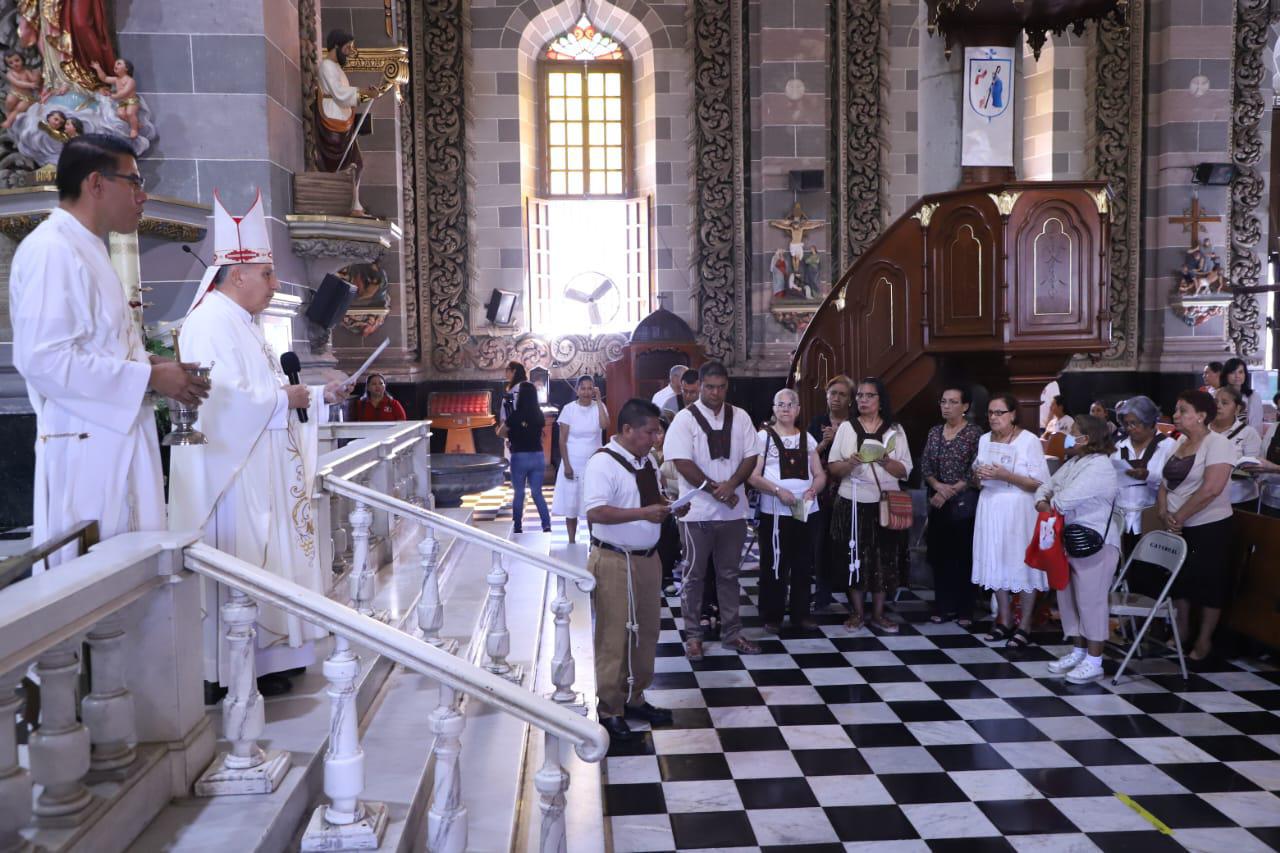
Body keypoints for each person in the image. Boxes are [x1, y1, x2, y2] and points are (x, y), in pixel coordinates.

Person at [170, 188, 350, 699]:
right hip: (233, 473)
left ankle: (269, 657)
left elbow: (264, 388)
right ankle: (233, 666)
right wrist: (280, 399)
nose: (275, 285)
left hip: (259, 462)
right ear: (238, 275)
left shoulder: (243, 323)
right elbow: (219, 400)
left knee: (267, 557)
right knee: (245, 557)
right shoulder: (210, 321)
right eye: (268, 274)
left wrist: (315, 395)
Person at [10, 134, 208, 567]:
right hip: (87, 454)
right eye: (134, 181)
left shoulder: (87, 248)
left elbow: (95, 345)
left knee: (135, 580)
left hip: (113, 441)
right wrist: (149, 377)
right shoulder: (52, 250)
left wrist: (150, 363)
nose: (143, 195)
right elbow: (43, 359)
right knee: (98, 585)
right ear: (96, 183)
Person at [583, 398, 684, 743]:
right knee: (614, 635)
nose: (656, 438)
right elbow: (596, 512)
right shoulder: (602, 463)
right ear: (627, 429)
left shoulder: (647, 461)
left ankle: (635, 697)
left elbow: (649, 500)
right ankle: (610, 709)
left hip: (648, 558)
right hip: (614, 560)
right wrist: (643, 514)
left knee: (646, 633)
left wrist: (670, 507)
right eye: (650, 432)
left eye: (657, 432)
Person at [664, 361, 761, 658]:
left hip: (733, 511)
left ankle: (732, 633)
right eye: (709, 387)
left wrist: (731, 485)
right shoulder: (684, 419)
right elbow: (682, 462)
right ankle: (694, 636)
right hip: (697, 513)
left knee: (729, 575)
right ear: (699, 386)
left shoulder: (740, 416)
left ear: (727, 386)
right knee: (694, 576)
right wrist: (715, 490)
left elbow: (751, 455)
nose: (715, 393)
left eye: (720, 388)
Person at [1036, 415, 1121, 684]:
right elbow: (1045, 488)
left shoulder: (1100, 467)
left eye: (1073, 432)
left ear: (1087, 438)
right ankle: (1079, 652)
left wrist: (1049, 502)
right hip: (1069, 540)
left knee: (1090, 602)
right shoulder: (1075, 462)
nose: (1067, 437)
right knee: (1069, 599)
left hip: (1095, 544)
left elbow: (1064, 501)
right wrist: (1044, 500)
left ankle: (1095, 661)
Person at [827, 377, 913, 633]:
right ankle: (857, 613)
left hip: (885, 503)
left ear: (880, 400)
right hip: (852, 500)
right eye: (860, 396)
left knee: (884, 559)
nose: (863, 400)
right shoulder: (847, 428)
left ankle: (878, 614)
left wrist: (886, 461)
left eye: (869, 395)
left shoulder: (895, 430)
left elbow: (905, 470)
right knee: (853, 557)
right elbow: (833, 468)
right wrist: (851, 463)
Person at [1159, 390, 1234, 661]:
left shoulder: (1219, 444)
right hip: (1177, 525)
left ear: (1201, 416)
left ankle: (1204, 640)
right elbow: (1165, 483)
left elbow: (1211, 489)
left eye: (1182, 410)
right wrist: (1164, 512)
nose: (1175, 415)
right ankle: (1181, 631)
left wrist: (1179, 516)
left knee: (1208, 583)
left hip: (1208, 525)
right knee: (1180, 581)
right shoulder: (1178, 442)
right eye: (1176, 409)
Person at [973, 392, 1050, 649]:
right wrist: (978, 475)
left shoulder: (1028, 441)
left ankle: (1024, 624)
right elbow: (977, 477)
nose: (994, 417)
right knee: (996, 561)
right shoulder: (984, 439)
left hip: (1019, 509)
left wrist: (1007, 475)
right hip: (990, 506)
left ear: (1013, 414)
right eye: (990, 413)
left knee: (1021, 565)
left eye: (999, 412)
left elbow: (1040, 483)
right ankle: (1004, 619)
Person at [748, 388, 826, 633]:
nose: (785, 408)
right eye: (780, 404)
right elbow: (753, 476)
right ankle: (772, 614)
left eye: (790, 404)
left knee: (803, 563)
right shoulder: (763, 437)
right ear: (773, 409)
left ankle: (801, 613)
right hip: (775, 512)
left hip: (805, 510)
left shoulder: (807, 438)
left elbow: (820, 474)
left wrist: (813, 490)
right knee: (774, 563)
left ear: (798, 409)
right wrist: (777, 490)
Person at [921, 385, 982, 625]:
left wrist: (950, 491)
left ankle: (965, 609)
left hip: (964, 502)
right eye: (943, 401)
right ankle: (943, 606)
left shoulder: (974, 433)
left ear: (965, 406)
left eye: (953, 402)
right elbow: (926, 465)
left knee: (963, 556)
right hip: (938, 501)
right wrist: (938, 486)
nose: (946, 406)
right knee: (940, 555)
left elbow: (975, 469)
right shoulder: (935, 432)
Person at [315, 30, 380, 215]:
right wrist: (364, 93)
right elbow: (339, 93)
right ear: (336, 46)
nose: (350, 52)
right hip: (333, 120)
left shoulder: (338, 69)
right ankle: (347, 203)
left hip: (343, 118)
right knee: (348, 164)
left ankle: (353, 203)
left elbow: (346, 95)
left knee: (356, 164)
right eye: (347, 48)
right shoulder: (327, 66)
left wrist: (366, 94)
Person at [808, 375, 854, 611]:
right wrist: (824, 443)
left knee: (848, 542)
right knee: (821, 543)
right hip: (823, 492)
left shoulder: (855, 424)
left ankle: (853, 594)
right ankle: (822, 593)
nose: (836, 398)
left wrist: (839, 439)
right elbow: (807, 457)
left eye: (842, 394)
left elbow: (859, 456)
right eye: (832, 393)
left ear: (850, 399)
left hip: (849, 489)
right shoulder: (818, 422)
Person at [552, 375, 609, 545]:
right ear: (577, 390)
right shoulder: (569, 409)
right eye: (583, 388)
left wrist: (599, 401)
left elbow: (605, 425)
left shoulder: (599, 407)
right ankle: (571, 540)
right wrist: (566, 465)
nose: (586, 392)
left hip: (594, 464)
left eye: (590, 388)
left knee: (593, 503)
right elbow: (562, 440)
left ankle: (593, 540)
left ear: (595, 390)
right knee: (571, 504)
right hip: (572, 462)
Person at [1112, 396, 1173, 548]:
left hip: (1152, 517)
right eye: (1126, 424)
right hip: (1120, 519)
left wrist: (1148, 476)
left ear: (1150, 422)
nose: (1130, 428)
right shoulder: (1118, 446)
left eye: (1134, 423)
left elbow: (1172, 483)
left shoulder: (1168, 446)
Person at [496, 381, 551, 534]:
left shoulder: (514, 416)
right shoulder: (539, 415)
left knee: (519, 493)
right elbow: (538, 433)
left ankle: (518, 526)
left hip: (519, 457)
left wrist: (512, 436)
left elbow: (500, 432)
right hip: (537, 456)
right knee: (537, 493)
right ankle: (546, 524)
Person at [1210, 385, 1261, 509]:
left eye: (1224, 403)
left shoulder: (1248, 433)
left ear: (1237, 409)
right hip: (1207, 498)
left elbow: (1254, 470)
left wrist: (1221, 469)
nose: (1218, 406)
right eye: (1215, 402)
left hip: (1240, 498)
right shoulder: (1203, 430)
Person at [1222, 356, 1262, 436]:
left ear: (1245, 374)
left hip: (1246, 438)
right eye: (1232, 372)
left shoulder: (1252, 396)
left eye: (1240, 372)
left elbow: (1256, 424)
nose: (1237, 376)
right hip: (1222, 437)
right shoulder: (1218, 395)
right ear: (1226, 375)